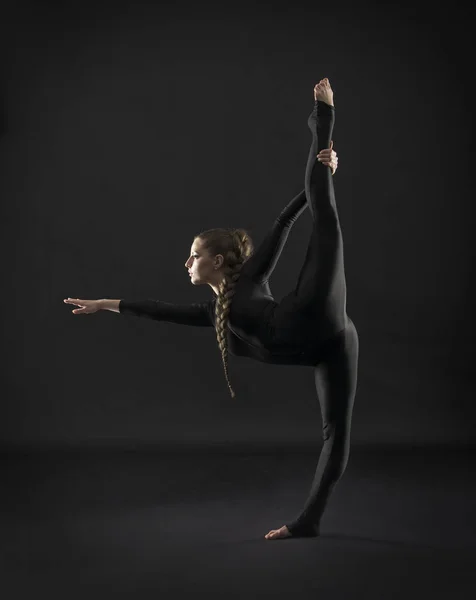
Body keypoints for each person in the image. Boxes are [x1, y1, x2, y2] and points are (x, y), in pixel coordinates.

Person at [64, 78, 358, 540]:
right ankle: (310, 523)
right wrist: (104, 304)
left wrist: (317, 182)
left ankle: (323, 122)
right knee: (335, 435)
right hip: (328, 350)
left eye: (194, 256)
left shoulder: (250, 278)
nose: (187, 263)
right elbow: (156, 309)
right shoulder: (212, 314)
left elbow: (283, 224)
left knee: (327, 222)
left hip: (317, 315)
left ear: (217, 262)